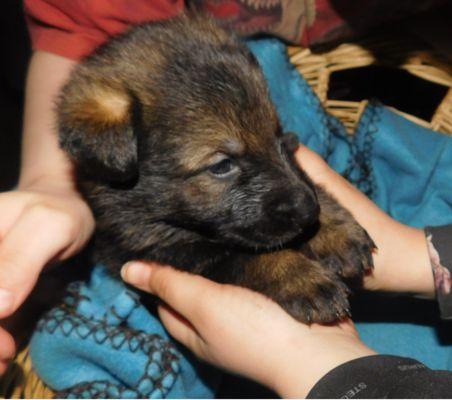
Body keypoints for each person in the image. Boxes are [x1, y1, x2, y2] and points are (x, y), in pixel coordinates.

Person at [0, 1, 451, 397]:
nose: (300, 201)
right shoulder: (116, 139)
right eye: (221, 166)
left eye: (275, 138)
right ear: (118, 163)